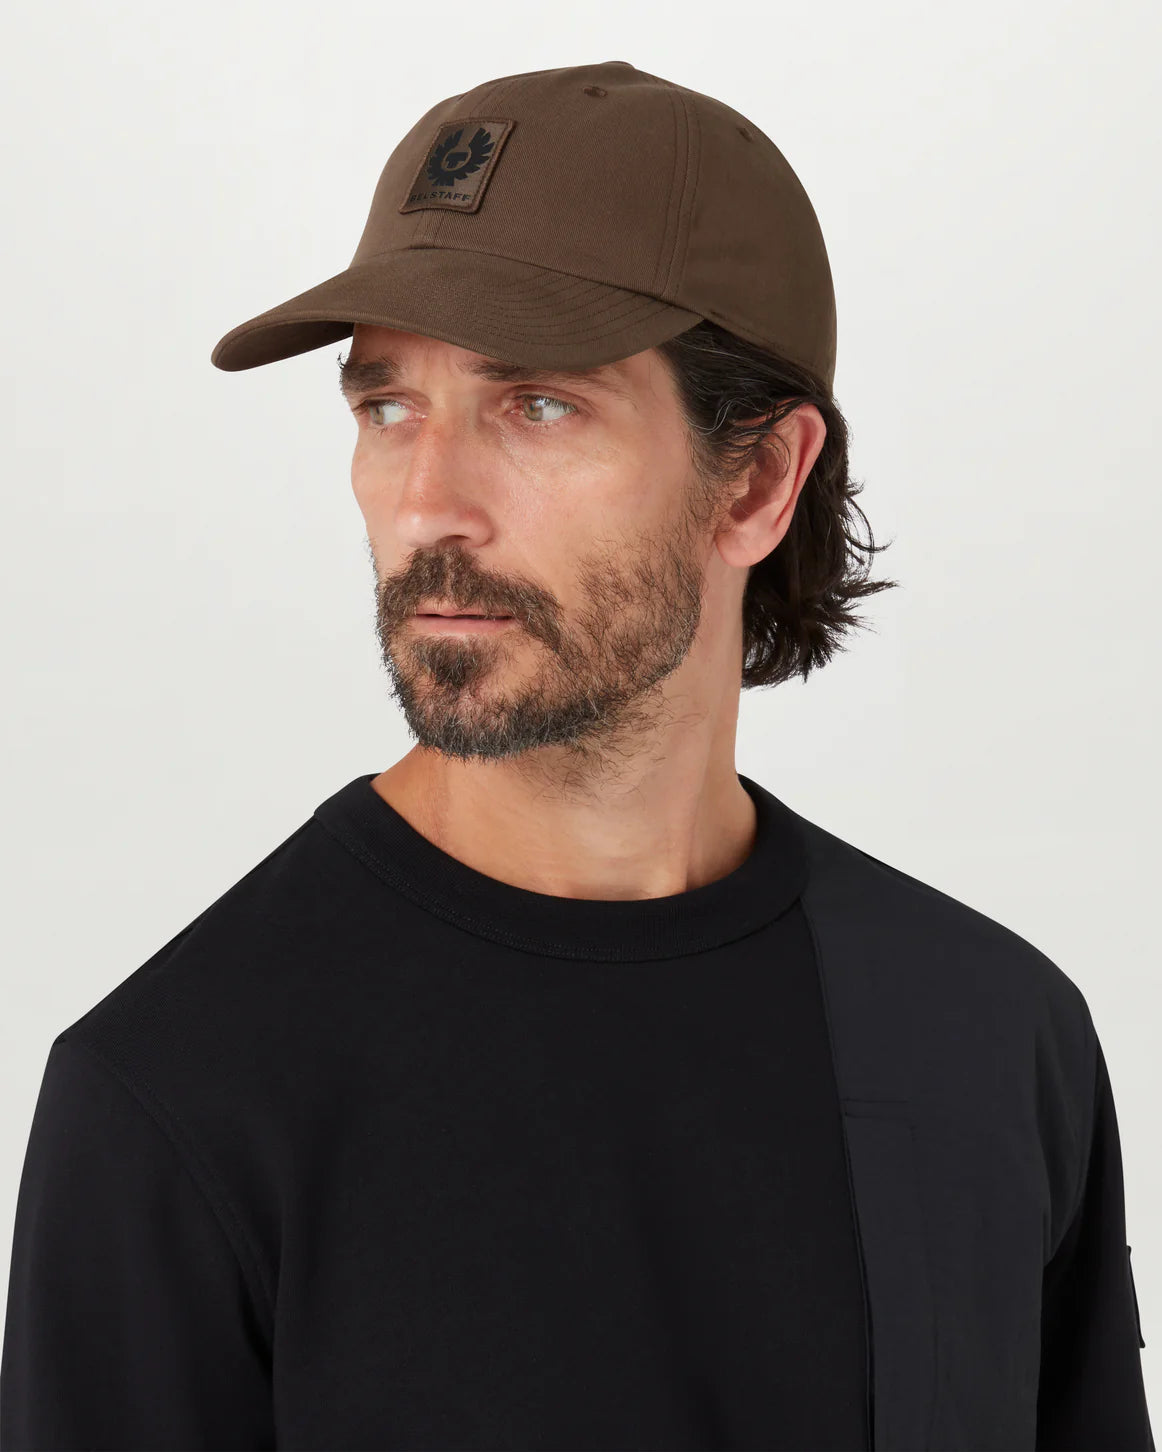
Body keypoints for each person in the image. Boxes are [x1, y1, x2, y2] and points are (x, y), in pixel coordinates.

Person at [0, 59, 1152, 1452]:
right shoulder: (180, 1096)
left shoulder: (985, 1038)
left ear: (757, 480)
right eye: (386, 407)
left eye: (536, 405)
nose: (427, 503)